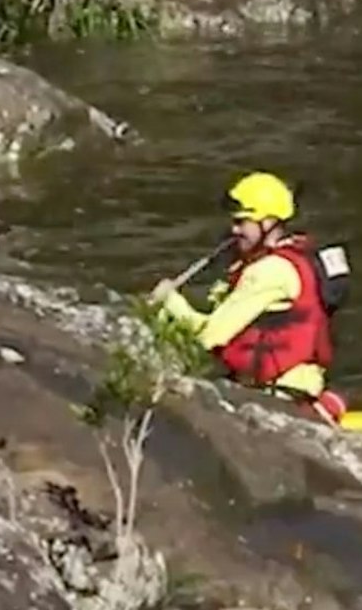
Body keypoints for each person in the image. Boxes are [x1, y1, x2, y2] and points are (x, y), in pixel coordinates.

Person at [149, 171, 349, 425]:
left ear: (267, 222)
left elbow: (207, 337)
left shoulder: (267, 271)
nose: (234, 230)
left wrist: (170, 303)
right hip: (301, 388)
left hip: (276, 398)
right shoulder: (294, 258)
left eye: (242, 222)